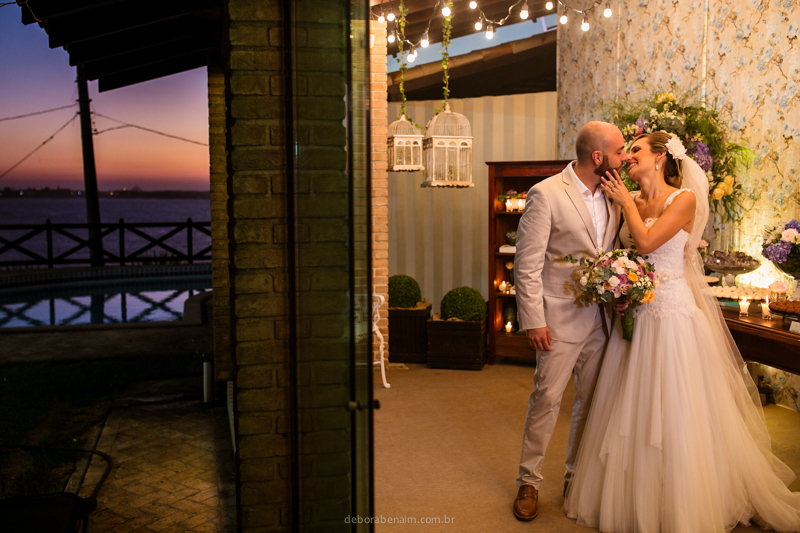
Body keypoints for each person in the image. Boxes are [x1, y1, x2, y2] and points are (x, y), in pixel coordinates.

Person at [564, 130, 800, 532]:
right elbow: (625, 255)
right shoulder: (631, 201)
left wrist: (625, 203)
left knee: (674, 411)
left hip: (673, 316)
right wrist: (618, 291)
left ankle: (684, 503)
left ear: (659, 157)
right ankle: (634, 497)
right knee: (630, 409)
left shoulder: (683, 199)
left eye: (635, 150)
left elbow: (648, 239)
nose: (627, 157)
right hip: (637, 316)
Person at [512, 121, 629, 521]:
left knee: (591, 403)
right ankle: (529, 481)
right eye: (619, 151)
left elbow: (612, 254)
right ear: (598, 157)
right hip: (557, 319)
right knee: (547, 399)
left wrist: (621, 294)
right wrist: (533, 320)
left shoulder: (614, 197)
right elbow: (526, 265)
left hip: (601, 321)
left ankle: (575, 478)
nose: (625, 158)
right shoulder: (545, 194)